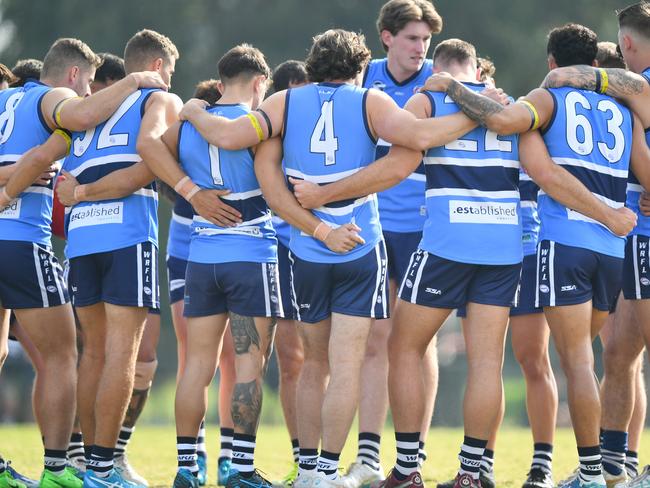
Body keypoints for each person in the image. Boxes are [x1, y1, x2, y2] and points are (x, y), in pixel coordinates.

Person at [424, 23, 650, 488]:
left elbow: (506, 125)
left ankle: (589, 473)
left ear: (553, 64)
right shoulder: (625, 111)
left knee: (578, 363)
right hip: (611, 254)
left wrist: (450, 86)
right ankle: (604, 467)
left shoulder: (549, 99)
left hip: (567, 242)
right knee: (589, 359)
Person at [0, 36, 166, 488]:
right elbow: (83, 117)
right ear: (74, 74)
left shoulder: (3, 101)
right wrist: (134, 80)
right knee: (66, 355)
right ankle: (66, 469)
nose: (91, 92)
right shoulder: (55, 100)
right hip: (24, 238)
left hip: (70, 240)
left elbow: (33, 157)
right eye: (89, 81)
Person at [144, 44, 280, 488]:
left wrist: (189, 189)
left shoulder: (185, 125)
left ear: (220, 83)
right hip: (251, 254)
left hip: (201, 256)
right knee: (247, 366)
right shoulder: (258, 125)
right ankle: (240, 470)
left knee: (196, 366)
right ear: (260, 83)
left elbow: (151, 152)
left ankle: (187, 467)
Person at [437, 51, 557, 488]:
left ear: (483, 76)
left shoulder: (516, 113)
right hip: (485, 249)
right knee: (485, 363)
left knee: (532, 358)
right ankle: (480, 462)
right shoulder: (450, 120)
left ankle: (541, 463)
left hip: (524, 247)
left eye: (467, 78)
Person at [345, 3, 443, 484]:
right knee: (375, 339)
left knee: (417, 340)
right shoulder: (362, 78)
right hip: (375, 223)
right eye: (411, 39)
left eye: (424, 40)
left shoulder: (443, 77)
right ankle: (367, 454)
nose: (419, 49)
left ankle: (413, 453)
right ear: (386, 38)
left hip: (429, 228)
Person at [164, 77, 236, 487]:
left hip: (199, 256)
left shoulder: (210, 134)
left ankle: (208, 457)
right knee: (207, 358)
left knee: (209, 359)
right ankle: (205, 455)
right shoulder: (187, 141)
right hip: (192, 254)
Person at [265, 59, 309, 488]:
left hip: (320, 245)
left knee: (318, 357)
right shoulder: (267, 129)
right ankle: (302, 459)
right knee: (285, 359)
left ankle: (319, 459)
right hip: (273, 247)